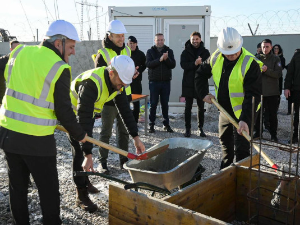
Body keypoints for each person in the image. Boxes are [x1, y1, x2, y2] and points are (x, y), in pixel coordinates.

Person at [0, 20, 87, 225]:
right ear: (59, 43)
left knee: (17, 189)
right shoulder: (59, 67)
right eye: (72, 46)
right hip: (37, 141)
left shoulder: (19, 52)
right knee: (48, 192)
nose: (73, 52)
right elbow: (64, 111)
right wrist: (81, 135)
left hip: (8, 135)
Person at [69, 55, 145, 212]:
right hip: (71, 112)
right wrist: (88, 154)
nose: (122, 86)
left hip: (87, 113)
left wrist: (136, 138)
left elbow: (125, 111)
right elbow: (83, 121)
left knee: (85, 147)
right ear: (112, 73)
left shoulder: (116, 84)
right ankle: (81, 194)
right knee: (79, 152)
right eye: (121, 82)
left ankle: (85, 180)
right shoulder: (92, 83)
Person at [195, 27, 262, 169]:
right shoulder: (216, 57)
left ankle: (242, 174)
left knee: (242, 147)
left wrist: (245, 119)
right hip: (224, 110)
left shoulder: (250, 64)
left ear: (240, 45)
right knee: (225, 142)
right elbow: (200, 74)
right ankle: (225, 171)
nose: (231, 55)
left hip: (244, 112)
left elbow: (253, 95)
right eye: (228, 53)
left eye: (234, 52)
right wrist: (203, 94)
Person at [94, 20, 133, 173]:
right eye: (118, 36)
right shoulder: (102, 54)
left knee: (124, 131)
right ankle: (101, 162)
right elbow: (101, 78)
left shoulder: (127, 51)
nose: (121, 39)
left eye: (123, 36)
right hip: (109, 100)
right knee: (106, 131)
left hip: (125, 97)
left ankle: (123, 159)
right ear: (109, 36)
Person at [180, 31, 210, 138]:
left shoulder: (205, 52)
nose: (195, 41)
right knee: (188, 107)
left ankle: (200, 128)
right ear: (190, 39)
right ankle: (187, 129)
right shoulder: (185, 52)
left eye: (197, 39)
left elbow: (208, 66)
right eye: (193, 39)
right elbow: (183, 65)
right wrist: (194, 63)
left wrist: (201, 64)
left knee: (201, 107)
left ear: (200, 40)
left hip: (201, 84)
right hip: (188, 83)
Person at [146, 33, 176, 133]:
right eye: (158, 40)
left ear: (164, 40)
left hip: (166, 82)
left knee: (164, 104)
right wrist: (160, 59)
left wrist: (166, 59)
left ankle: (166, 124)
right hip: (154, 82)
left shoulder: (169, 51)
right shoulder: (150, 51)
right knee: (153, 104)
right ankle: (151, 125)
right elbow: (149, 64)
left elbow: (173, 65)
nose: (160, 42)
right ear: (155, 41)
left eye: (161, 40)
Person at [253, 39, 282, 141]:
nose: (265, 49)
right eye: (263, 47)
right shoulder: (256, 58)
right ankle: (257, 133)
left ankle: (273, 135)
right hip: (259, 92)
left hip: (272, 93)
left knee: (272, 115)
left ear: (271, 47)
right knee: (257, 114)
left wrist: (267, 70)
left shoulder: (276, 59)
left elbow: (278, 74)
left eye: (267, 47)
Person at [127, 36, 146, 123]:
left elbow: (145, 65)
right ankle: (126, 121)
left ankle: (135, 122)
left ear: (136, 44)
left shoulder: (141, 54)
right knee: (125, 101)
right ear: (128, 44)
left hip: (136, 81)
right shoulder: (125, 53)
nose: (132, 45)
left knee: (136, 102)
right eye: (130, 43)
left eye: (134, 43)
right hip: (126, 81)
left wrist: (138, 71)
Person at [284, 49, 300, 143]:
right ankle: (295, 135)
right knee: (297, 114)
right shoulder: (297, 56)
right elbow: (290, 73)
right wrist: (287, 87)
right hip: (297, 90)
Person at [0, 40, 20, 105]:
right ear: (11, 49)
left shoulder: (23, 62)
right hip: (5, 98)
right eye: (15, 49)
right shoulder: (2, 62)